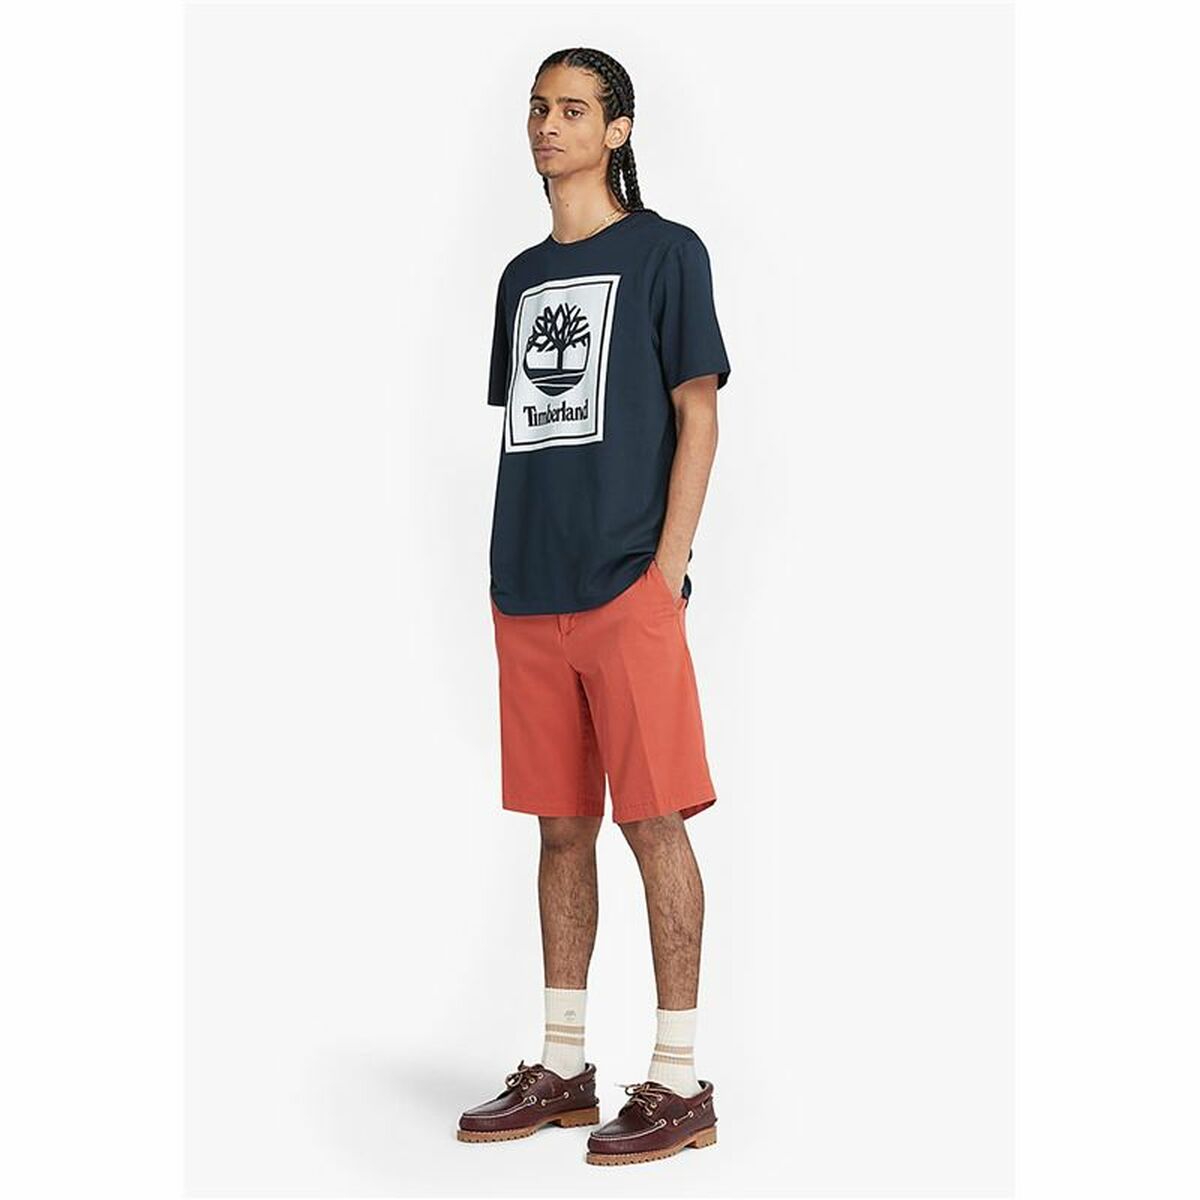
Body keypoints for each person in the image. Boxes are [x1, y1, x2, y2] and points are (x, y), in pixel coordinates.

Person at [457, 46, 731, 1168]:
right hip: (526, 589)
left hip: (627, 587)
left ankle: (679, 1080)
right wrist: (506, 569)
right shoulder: (522, 277)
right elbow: (533, 424)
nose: (547, 125)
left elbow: (697, 412)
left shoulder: (668, 253)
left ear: (618, 130)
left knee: (652, 821)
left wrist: (666, 569)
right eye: (538, 107)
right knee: (560, 827)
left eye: (573, 109)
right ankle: (565, 1066)